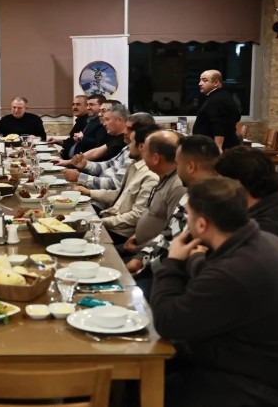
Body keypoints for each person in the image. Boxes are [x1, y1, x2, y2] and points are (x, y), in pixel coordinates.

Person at [151, 177, 278, 407]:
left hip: (267, 388)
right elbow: (211, 279)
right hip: (267, 367)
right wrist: (194, 258)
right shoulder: (262, 240)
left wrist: (172, 262)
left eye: (188, 216)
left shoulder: (235, 270)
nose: (186, 221)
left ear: (201, 225)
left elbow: (167, 321)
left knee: (139, 390)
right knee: (153, 367)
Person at [125, 135, 219, 296]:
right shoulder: (191, 192)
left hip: (172, 279)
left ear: (190, 166)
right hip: (152, 267)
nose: (176, 169)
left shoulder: (211, 201)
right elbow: (167, 233)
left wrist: (144, 268)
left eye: (178, 163)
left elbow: (179, 253)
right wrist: (140, 257)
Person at [214, 146, 278, 270]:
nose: (217, 190)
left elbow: (225, 269)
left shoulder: (266, 227)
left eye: (220, 184)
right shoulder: (266, 209)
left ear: (237, 185)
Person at [78, 122, 160, 243]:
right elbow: (121, 194)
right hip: (111, 221)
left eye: (131, 142)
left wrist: (100, 221)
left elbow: (136, 216)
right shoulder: (134, 164)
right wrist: (89, 192)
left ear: (142, 146)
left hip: (121, 233)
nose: (127, 146)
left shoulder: (150, 176)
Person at [122, 130, 186, 254]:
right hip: (140, 245)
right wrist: (137, 235)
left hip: (151, 254)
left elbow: (172, 233)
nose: (141, 152)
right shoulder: (163, 175)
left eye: (144, 150)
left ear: (156, 158)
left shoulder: (178, 186)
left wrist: (141, 251)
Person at [63, 112, 156, 191]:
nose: (124, 131)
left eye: (129, 129)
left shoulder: (137, 154)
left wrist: (81, 178)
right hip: (97, 192)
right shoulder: (128, 147)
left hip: (102, 197)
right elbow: (109, 164)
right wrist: (86, 164)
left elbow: (115, 185)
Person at [56, 101, 128, 166]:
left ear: (119, 120)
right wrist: (68, 162)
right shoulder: (116, 137)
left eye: (107, 119)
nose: (104, 124)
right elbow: (96, 152)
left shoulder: (128, 140)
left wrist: (80, 169)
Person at [192, 69, 241, 151]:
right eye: (200, 80)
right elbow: (237, 116)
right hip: (216, 146)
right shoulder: (222, 95)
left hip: (214, 148)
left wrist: (218, 147)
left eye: (204, 80)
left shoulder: (217, 99)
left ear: (216, 83)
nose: (200, 83)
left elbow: (219, 124)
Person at [48, 95, 88, 159]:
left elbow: (78, 145)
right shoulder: (80, 120)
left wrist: (63, 153)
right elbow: (71, 141)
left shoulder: (87, 122)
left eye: (78, 104)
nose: (74, 107)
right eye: (73, 104)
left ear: (87, 106)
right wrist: (57, 141)